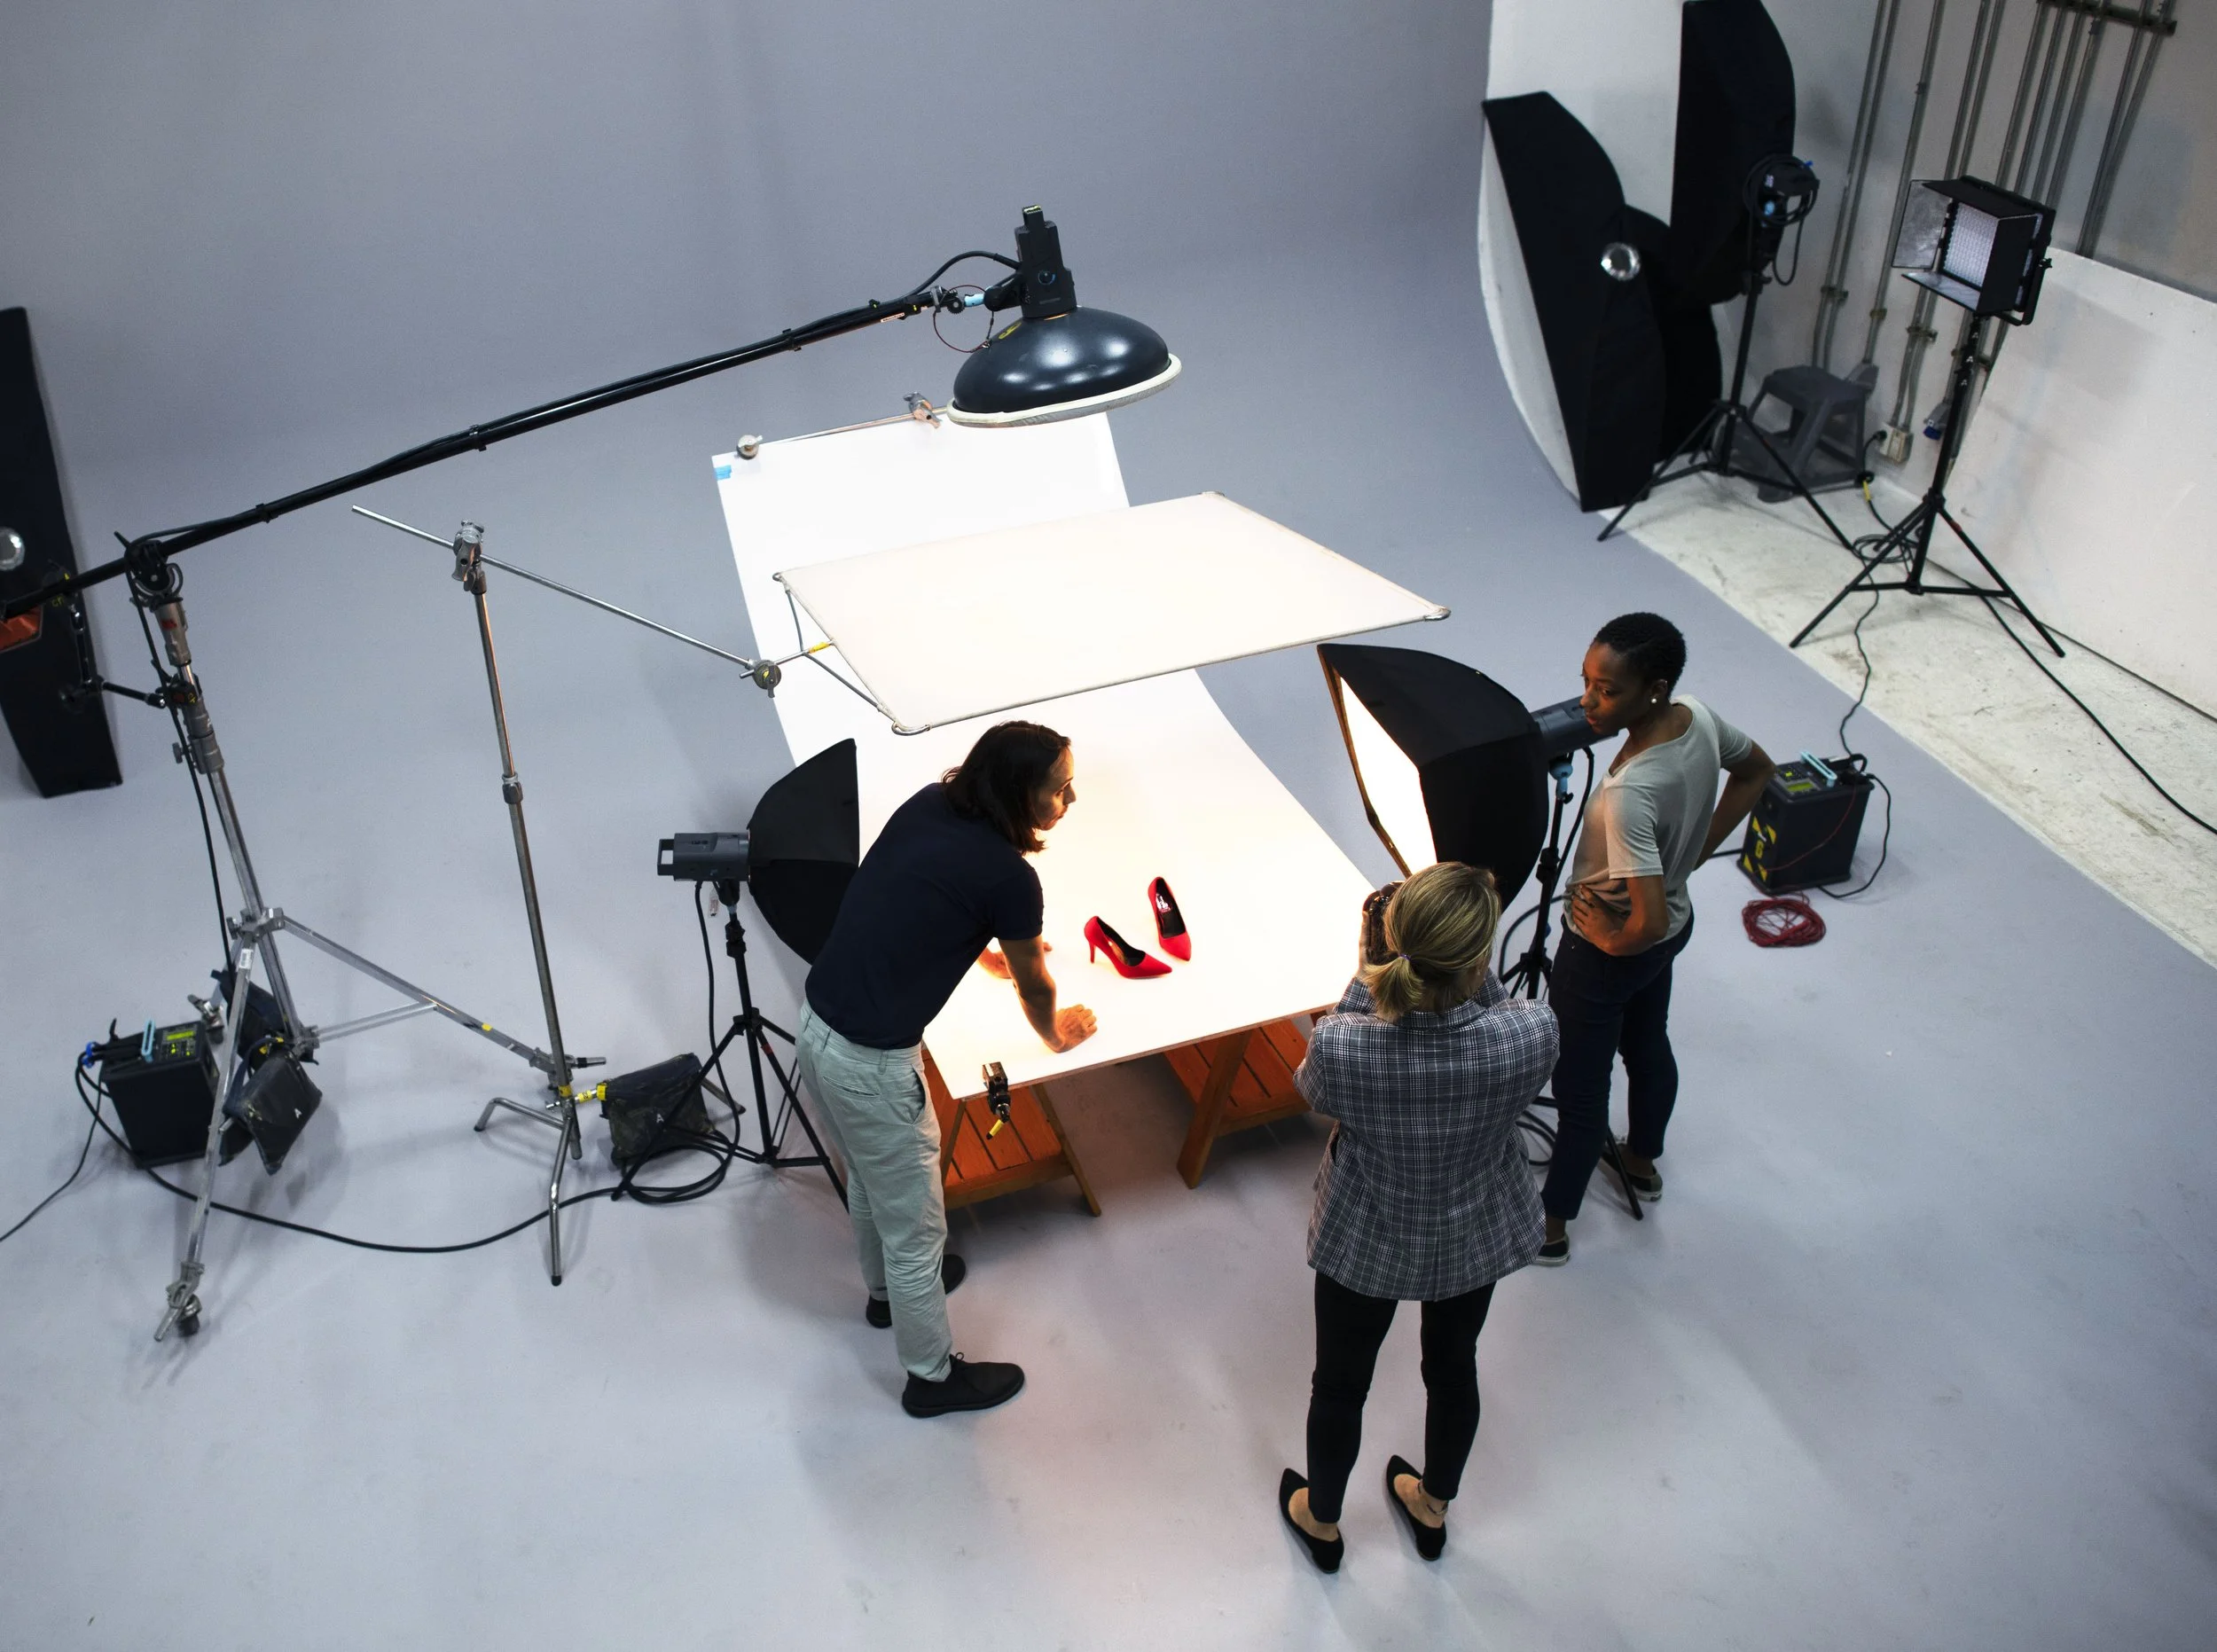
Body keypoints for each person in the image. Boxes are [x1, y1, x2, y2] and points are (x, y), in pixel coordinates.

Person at [797, 721, 1096, 1418]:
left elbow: (906, 898)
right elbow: (1036, 988)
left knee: (873, 1179)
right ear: (1022, 794)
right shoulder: (1011, 879)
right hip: (872, 1064)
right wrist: (1057, 1034)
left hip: (816, 1026)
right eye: (1060, 789)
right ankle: (931, 1378)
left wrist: (981, 947)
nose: (1071, 798)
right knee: (919, 1233)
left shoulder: (934, 803)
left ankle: (884, 1299)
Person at [1279, 862, 1558, 1570]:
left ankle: (1324, 1519)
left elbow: (1313, 1085)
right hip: (1472, 1237)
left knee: (1340, 1385)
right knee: (1454, 1366)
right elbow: (1485, 1004)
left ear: (1394, 948)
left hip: (1367, 1239)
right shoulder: (1529, 1032)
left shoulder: (1346, 1044)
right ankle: (1432, 1507)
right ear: (1479, 956)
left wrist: (1368, 970)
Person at [1537, 612, 1774, 1264]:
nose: (1587, 700)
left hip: (1608, 949)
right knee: (1647, 1044)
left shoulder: (1628, 793)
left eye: (1606, 691)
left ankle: (1550, 1228)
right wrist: (1694, 854)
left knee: (1581, 1091)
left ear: (1654, 688)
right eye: (1586, 682)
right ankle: (1642, 1161)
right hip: (1676, 925)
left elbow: (1644, 923)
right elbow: (1757, 770)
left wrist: (1606, 946)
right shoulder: (1695, 716)